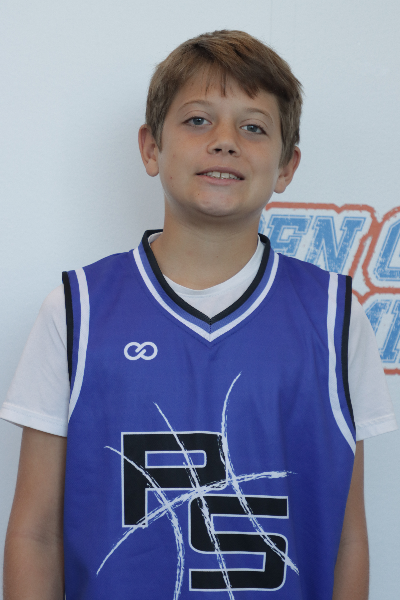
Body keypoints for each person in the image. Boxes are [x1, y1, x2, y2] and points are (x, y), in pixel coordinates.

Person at [1, 30, 397, 600]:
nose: (225, 142)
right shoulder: (77, 308)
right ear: (151, 148)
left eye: (254, 127)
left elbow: (347, 535)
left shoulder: (333, 314)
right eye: (197, 120)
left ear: (286, 166)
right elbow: (35, 533)